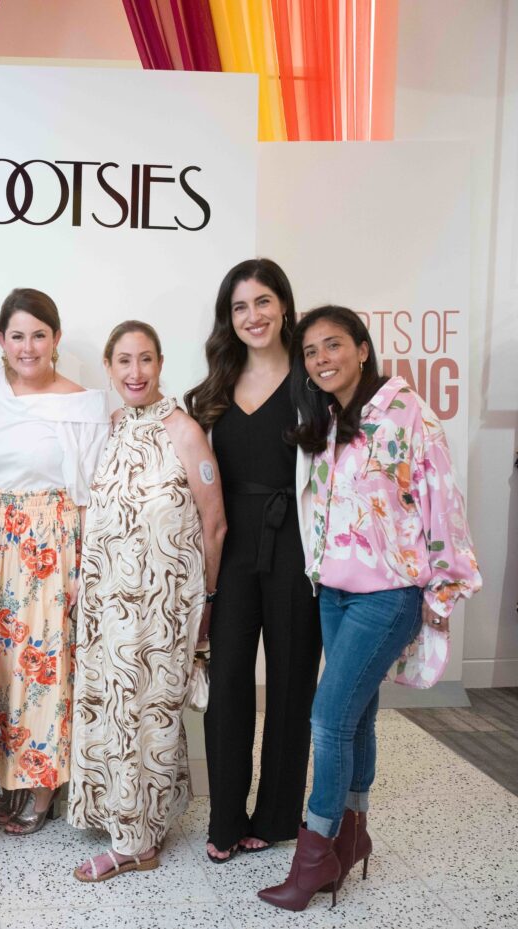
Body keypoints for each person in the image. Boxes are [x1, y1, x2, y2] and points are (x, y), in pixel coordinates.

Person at [259, 306, 481, 911]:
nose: (321, 359)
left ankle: (314, 857)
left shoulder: (408, 414)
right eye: (310, 351)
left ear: (362, 349)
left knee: (327, 719)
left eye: (333, 346)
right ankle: (353, 835)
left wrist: (441, 591)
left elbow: (442, 503)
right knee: (354, 716)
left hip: (389, 594)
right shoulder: (327, 418)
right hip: (333, 590)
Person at [69, 321, 226, 882]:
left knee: (148, 713)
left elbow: (215, 523)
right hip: (109, 602)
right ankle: (126, 815)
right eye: (124, 362)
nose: (135, 373)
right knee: (113, 709)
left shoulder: (183, 430)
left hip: (163, 607)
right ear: (110, 368)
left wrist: (206, 602)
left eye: (146, 361)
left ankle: (138, 842)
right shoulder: (112, 427)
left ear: (161, 364)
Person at [184, 258, 322, 863]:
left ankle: (277, 815)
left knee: (292, 683)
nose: (253, 316)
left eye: (263, 302)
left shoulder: (313, 381)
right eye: (240, 307)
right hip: (232, 547)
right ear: (228, 318)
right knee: (229, 683)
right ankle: (225, 819)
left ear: (285, 305)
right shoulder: (213, 387)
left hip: (298, 546)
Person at [0, 288, 109, 835]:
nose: (28, 347)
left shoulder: (83, 405)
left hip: (50, 546)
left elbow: (94, 492)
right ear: (1, 341)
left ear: (56, 339)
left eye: (39, 335)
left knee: (43, 667)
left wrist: (84, 568)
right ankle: (3, 773)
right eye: (17, 335)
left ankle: (42, 785)